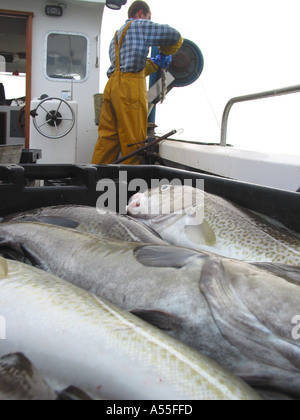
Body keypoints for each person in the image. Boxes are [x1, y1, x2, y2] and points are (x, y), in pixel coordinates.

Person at [92, 0, 183, 165]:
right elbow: (175, 36)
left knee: (107, 140)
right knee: (133, 142)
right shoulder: (140, 25)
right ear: (141, 13)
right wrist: (166, 52)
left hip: (112, 87)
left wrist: (155, 63)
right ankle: (130, 188)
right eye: (148, 17)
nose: (148, 21)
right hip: (129, 89)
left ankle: (95, 180)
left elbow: (130, 67)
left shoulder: (116, 37)